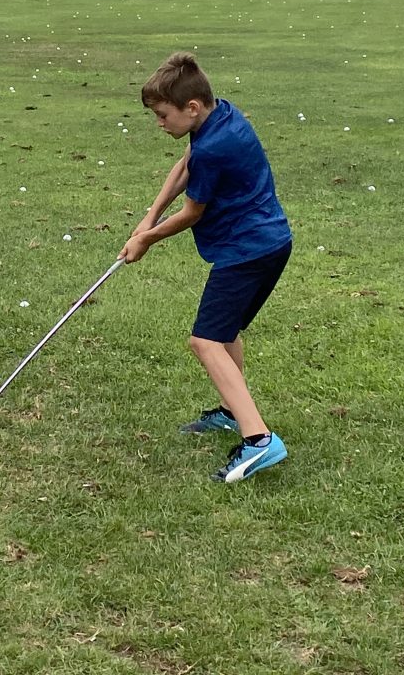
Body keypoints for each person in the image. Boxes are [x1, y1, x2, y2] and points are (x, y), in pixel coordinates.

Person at [118, 52, 292, 483]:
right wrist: (150, 215)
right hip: (269, 243)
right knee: (225, 331)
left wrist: (147, 240)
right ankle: (235, 412)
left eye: (162, 115)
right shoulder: (219, 117)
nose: (159, 123)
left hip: (247, 252)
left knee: (205, 341)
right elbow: (185, 166)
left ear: (191, 107)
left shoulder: (215, 145)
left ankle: (259, 440)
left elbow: (193, 211)